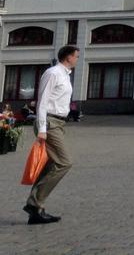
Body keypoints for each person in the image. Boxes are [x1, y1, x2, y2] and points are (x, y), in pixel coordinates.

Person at [24, 45, 79, 225]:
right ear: (68, 57)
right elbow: (43, 100)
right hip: (49, 122)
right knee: (65, 161)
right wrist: (42, 128)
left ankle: (36, 209)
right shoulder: (53, 73)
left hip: (59, 123)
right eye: (76, 56)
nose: (77, 59)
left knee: (51, 165)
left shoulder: (65, 75)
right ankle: (35, 203)